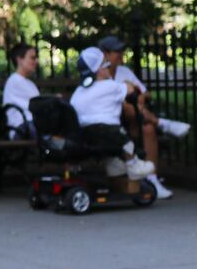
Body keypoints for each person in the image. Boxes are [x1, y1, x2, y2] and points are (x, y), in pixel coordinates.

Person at [96, 36, 174, 199]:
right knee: (126, 103)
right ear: (105, 55)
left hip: (130, 121)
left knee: (147, 127)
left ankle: (152, 179)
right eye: (117, 51)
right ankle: (161, 122)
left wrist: (138, 96)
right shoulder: (98, 75)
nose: (121, 54)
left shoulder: (124, 71)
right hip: (109, 121)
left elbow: (144, 93)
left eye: (121, 50)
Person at [70, 47, 157, 179]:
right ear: (99, 70)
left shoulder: (78, 92)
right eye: (106, 65)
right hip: (109, 132)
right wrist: (128, 84)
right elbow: (129, 90)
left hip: (84, 134)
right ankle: (133, 164)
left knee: (108, 142)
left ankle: (114, 165)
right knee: (125, 141)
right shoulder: (111, 86)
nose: (109, 67)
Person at [1, 43, 41, 138]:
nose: (36, 61)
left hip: (32, 126)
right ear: (19, 60)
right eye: (32, 58)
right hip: (21, 129)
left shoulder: (29, 84)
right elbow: (37, 106)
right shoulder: (14, 81)